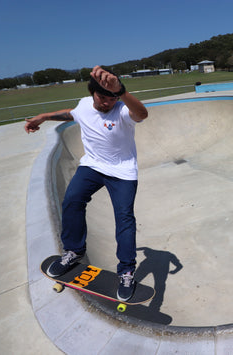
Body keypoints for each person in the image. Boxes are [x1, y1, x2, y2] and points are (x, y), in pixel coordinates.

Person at [25, 65, 148, 301]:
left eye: (111, 99)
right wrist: (44, 117)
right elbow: (73, 113)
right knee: (71, 200)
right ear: (92, 93)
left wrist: (120, 92)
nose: (107, 104)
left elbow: (142, 114)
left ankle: (126, 271)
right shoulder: (84, 104)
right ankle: (73, 250)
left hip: (122, 172)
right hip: (92, 166)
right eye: (102, 97)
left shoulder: (122, 109)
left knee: (124, 218)